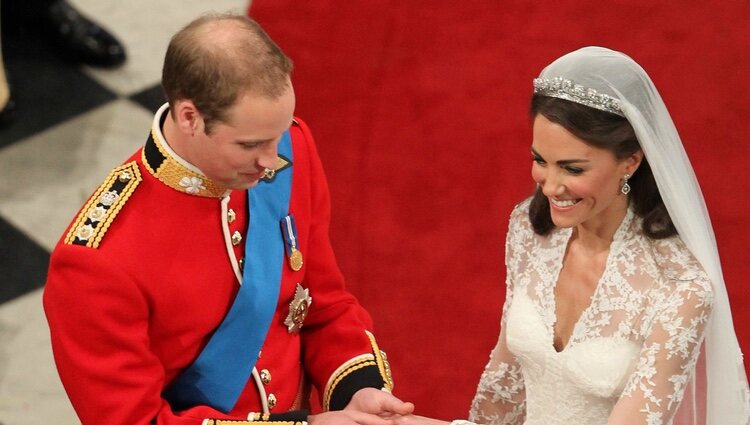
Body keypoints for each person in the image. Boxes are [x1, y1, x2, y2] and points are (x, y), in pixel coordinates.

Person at [43, 13, 413, 425]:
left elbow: (322, 304)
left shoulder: (292, 152)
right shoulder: (95, 261)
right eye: (251, 144)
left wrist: (357, 389)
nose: (273, 161)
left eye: (276, 137)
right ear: (190, 117)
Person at [394, 47, 750, 424]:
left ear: (630, 161)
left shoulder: (681, 288)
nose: (550, 187)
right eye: (540, 161)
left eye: (572, 169)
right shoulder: (528, 231)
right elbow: (505, 387)